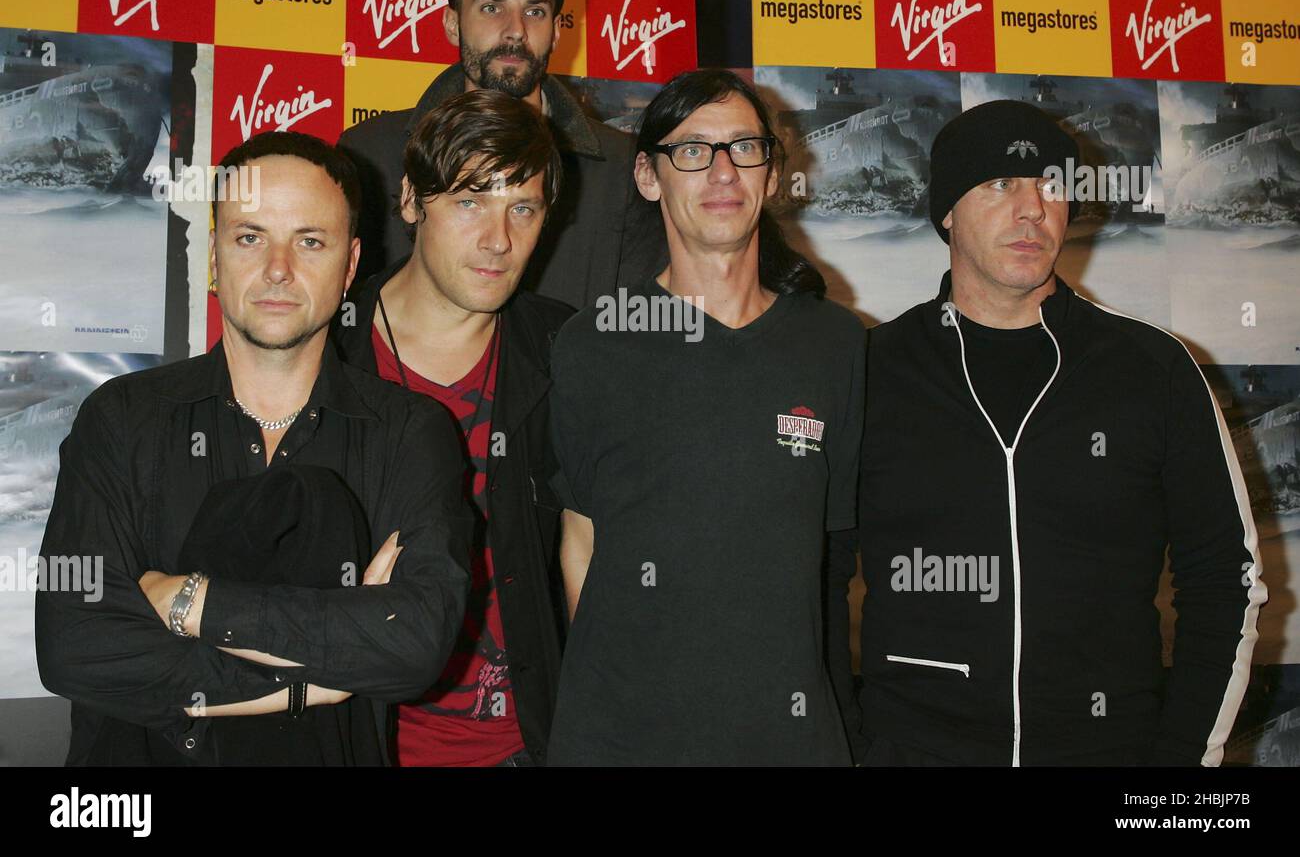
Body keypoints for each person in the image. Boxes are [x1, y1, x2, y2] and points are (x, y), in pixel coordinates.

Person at [833, 100, 1267, 766]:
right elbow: (814, 584)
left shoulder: (1152, 369)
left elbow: (1225, 581)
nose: (1032, 207)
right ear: (946, 210)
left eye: (1052, 185)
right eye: (1001, 183)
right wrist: (849, 748)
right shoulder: (870, 370)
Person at [35, 131, 475, 765]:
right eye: (250, 237)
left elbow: (412, 646)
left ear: (350, 267)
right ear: (213, 255)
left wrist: (188, 601)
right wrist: (315, 681)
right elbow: (74, 644)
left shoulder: (409, 433)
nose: (278, 269)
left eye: (310, 242)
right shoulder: (122, 418)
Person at [548, 69, 865, 765]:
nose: (722, 170)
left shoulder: (835, 346)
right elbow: (580, 539)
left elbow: (832, 564)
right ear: (648, 176)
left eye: (744, 148)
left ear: (773, 173)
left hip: (788, 740)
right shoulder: (591, 344)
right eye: (693, 150)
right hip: (618, 740)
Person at [333, 90, 572, 767]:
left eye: (521, 207)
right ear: (411, 199)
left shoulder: (568, 353)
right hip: (362, 743)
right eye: (470, 200)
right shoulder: (325, 351)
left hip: (525, 748)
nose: (498, 238)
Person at [338, 0, 665, 309]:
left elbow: (642, 333)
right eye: (492, 8)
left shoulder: (622, 166)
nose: (515, 31)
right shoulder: (370, 153)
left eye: (535, 11)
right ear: (452, 24)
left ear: (558, 33)